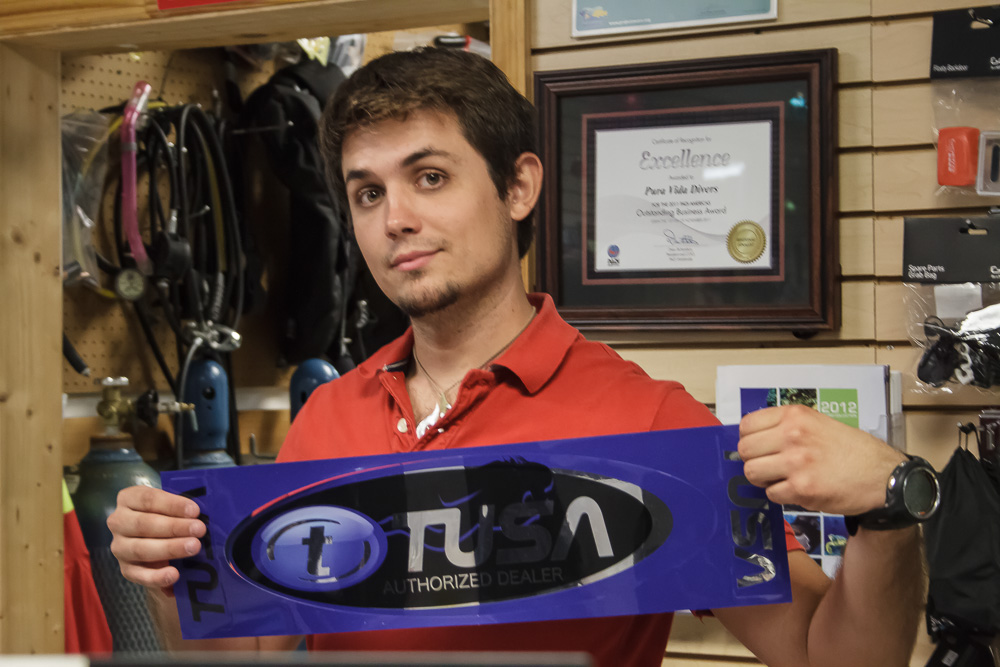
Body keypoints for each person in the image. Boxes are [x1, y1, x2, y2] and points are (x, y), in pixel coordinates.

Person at [108, 48, 924, 666]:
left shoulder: (650, 421)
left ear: (519, 187)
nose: (395, 218)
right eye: (368, 192)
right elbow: (243, 651)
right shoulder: (327, 413)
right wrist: (173, 575)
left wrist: (886, 513)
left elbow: (826, 654)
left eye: (430, 176)